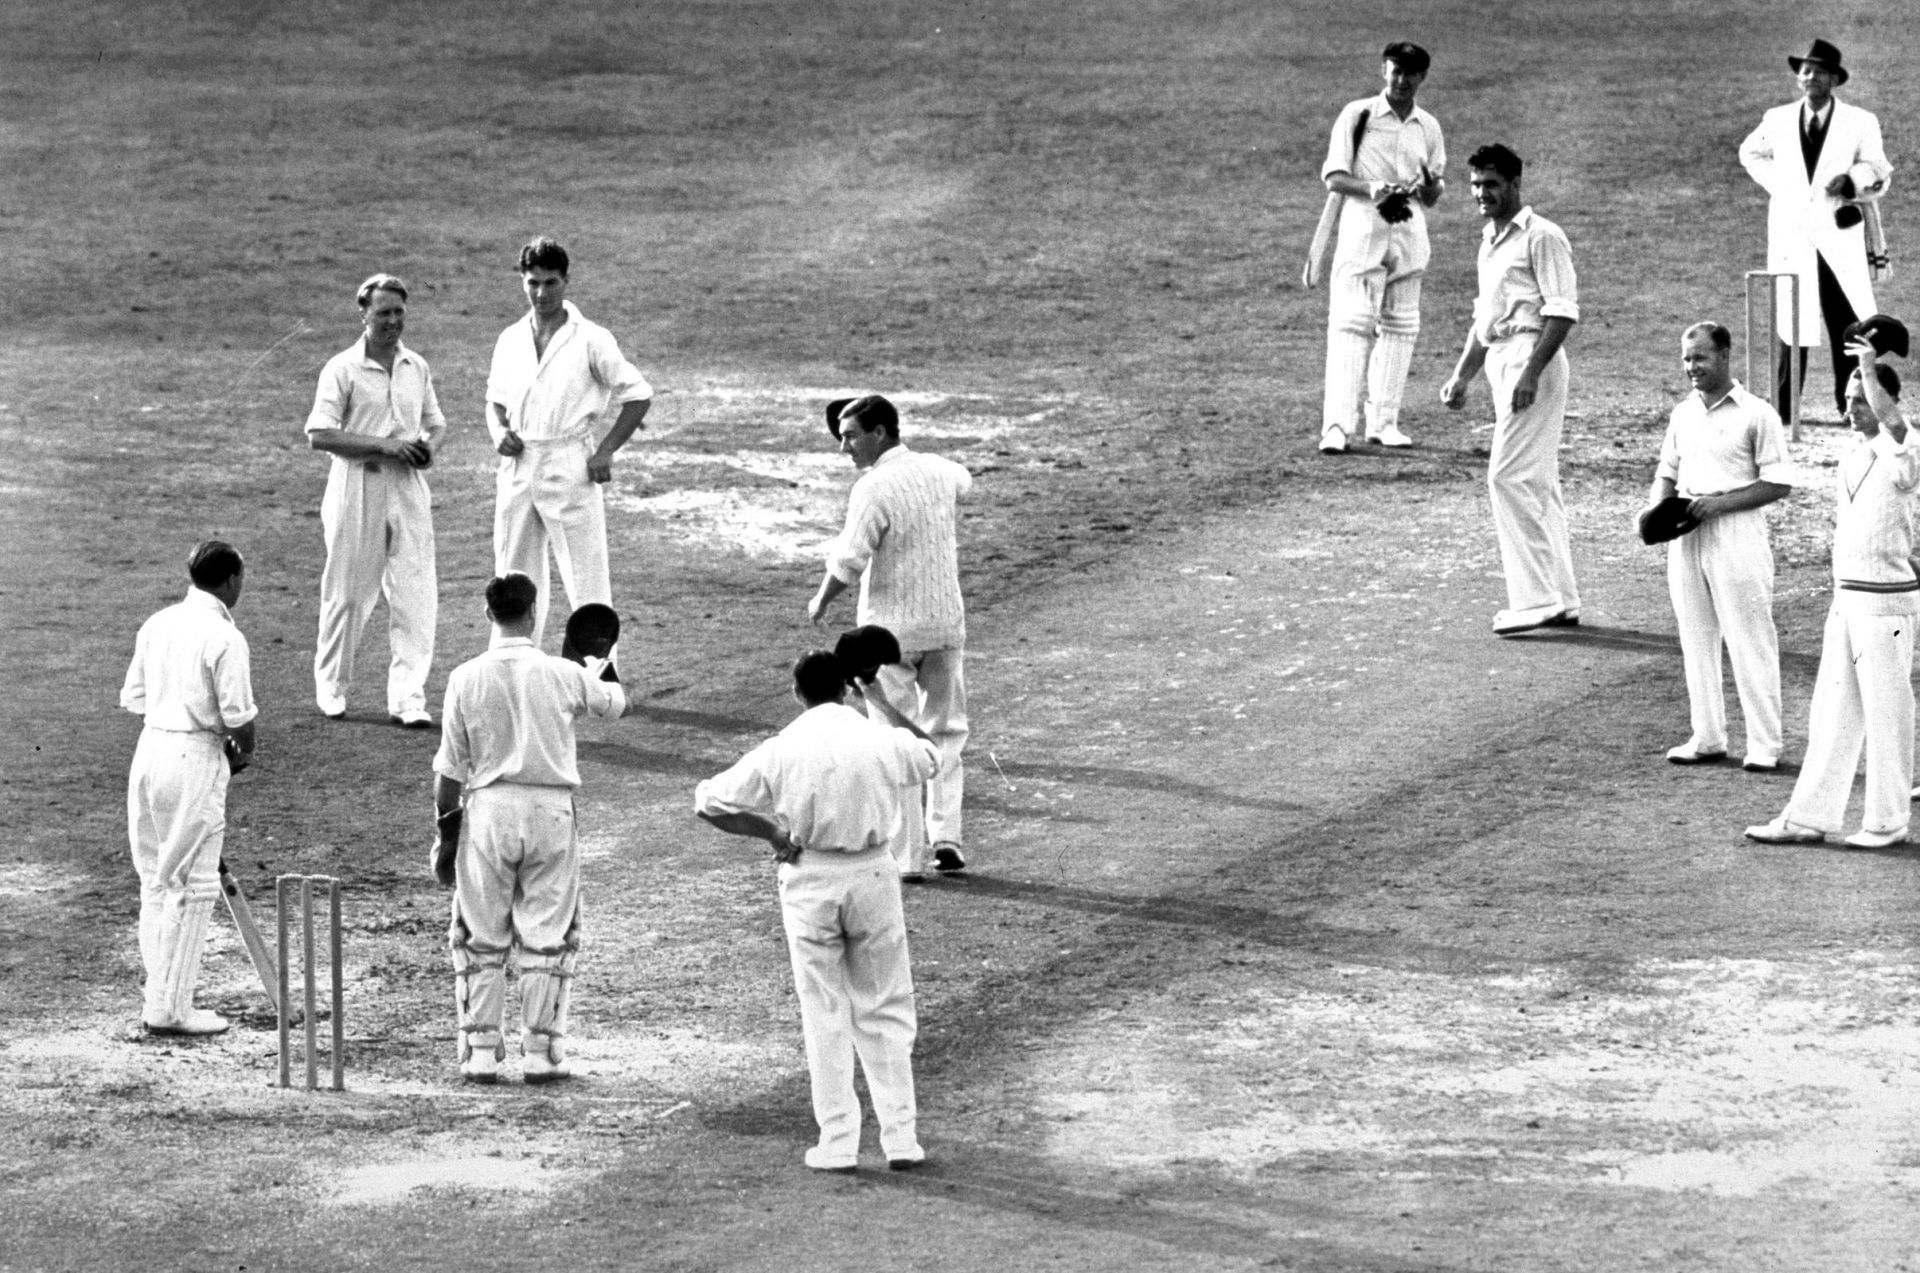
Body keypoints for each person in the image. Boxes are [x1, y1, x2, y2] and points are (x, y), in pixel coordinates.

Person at [694, 648, 941, 1171]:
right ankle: (900, 1140)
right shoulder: (877, 736)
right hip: (873, 873)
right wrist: (879, 702)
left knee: (823, 1011)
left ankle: (837, 1144)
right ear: (845, 689)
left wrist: (769, 831)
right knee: (885, 1006)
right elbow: (930, 753)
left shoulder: (781, 747)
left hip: (809, 878)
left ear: (797, 694)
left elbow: (709, 801)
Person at [431, 572, 628, 1084]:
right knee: (547, 936)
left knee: (479, 935)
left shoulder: (464, 677)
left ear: (486, 614)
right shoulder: (562, 673)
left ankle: (479, 1052)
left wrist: (445, 834)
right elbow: (616, 705)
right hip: (551, 812)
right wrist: (599, 664)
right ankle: (541, 1054)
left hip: (487, 812)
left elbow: (449, 770)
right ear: (535, 612)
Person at [1747, 343, 1919, 848]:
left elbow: (1891, 422)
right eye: (1846, 398)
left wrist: (1867, 366)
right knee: (1833, 708)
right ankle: (1810, 816)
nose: (1850, 408)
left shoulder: (1905, 450)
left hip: (1885, 603)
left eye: (1861, 398)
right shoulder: (1851, 457)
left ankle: (1888, 821)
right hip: (1847, 598)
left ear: (1887, 400)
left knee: (1886, 710)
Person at [808, 394, 973, 879]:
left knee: (893, 742)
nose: (844, 447)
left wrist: (821, 600)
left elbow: (850, 559)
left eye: (851, 435)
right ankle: (948, 838)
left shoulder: (873, 488)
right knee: (946, 733)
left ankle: (906, 858)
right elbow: (964, 480)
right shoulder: (939, 470)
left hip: (888, 635)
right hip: (944, 625)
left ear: (879, 432)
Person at [1440, 143, 1582, 636]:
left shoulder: (1543, 237)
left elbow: (1562, 312)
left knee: (1506, 477)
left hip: (1532, 358)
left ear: (1515, 185)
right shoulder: (1489, 241)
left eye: (1492, 185)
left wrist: (1531, 373)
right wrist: (1462, 375)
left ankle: (1536, 600)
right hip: (1504, 358)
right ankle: (1561, 598)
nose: (1482, 193)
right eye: (1476, 184)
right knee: (1537, 481)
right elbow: (1484, 322)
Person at [485, 237, 654, 651]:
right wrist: (498, 433)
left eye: (551, 283)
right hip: (520, 464)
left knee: (586, 576)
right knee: (513, 574)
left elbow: (638, 393)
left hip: (570, 462)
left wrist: (606, 450)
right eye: (533, 283)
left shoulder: (592, 338)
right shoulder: (510, 338)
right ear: (523, 282)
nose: (541, 294)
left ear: (567, 281)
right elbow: (495, 401)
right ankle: (514, 662)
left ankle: (600, 673)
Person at [119, 541, 258, 1036]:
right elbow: (241, 720)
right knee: (192, 884)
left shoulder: (158, 623)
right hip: (194, 756)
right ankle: (171, 1008)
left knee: (156, 880)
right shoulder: (224, 635)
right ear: (230, 581)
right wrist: (239, 753)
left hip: (149, 751)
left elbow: (134, 697)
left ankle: (159, 997)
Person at [1648, 323, 1795, 770]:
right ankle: (1707, 736)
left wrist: (1719, 505)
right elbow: (1666, 472)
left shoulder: (1758, 413)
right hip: (1686, 533)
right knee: (1696, 638)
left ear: (1726, 355)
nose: (1692, 367)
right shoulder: (1682, 413)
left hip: (1737, 533)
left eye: (1700, 358)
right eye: (1687, 359)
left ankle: (1765, 745)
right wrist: (1654, 512)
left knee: (1749, 638)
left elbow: (1778, 484)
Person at [306, 272, 446, 726]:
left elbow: (435, 422)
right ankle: (332, 688)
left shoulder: (415, 366)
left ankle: (408, 699)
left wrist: (427, 447)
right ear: (363, 313)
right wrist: (386, 445)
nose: (392, 321)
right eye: (383, 312)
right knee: (348, 593)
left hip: (407, 488)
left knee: (415, 594)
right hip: (357, 484)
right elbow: (319, 434)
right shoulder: (342, 368)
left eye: (399, 312)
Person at [1738, 39, 1892, 421]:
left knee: (1848, 321)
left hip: (1838, 237)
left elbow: (1879, 169)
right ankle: (1784, 407)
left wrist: (1852, 179)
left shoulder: (1859, 121)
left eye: (1819, 71)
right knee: (1790, 319)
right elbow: (1750, 153)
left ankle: (1851, 402)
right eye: (1805, 71)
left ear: (1834, 79)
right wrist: (1784, 185)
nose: (1810, 77)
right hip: (1793, 235)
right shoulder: (1777, 118)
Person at [1306, 40, 1446, 454]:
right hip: (1363, 224)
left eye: (1410, 74)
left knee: (1402, 325)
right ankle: (1336, 427)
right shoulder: (1358, 114)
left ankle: (1384, 422)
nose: (1401, 81)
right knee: (1351, 324)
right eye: (1394, 71)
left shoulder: (1429, 127)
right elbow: (1334, 178)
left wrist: (1430, 186)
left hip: (1409, 229)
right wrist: (1374, 188)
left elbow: (1434, 193)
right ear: (1383, 70)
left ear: (1422, 77)